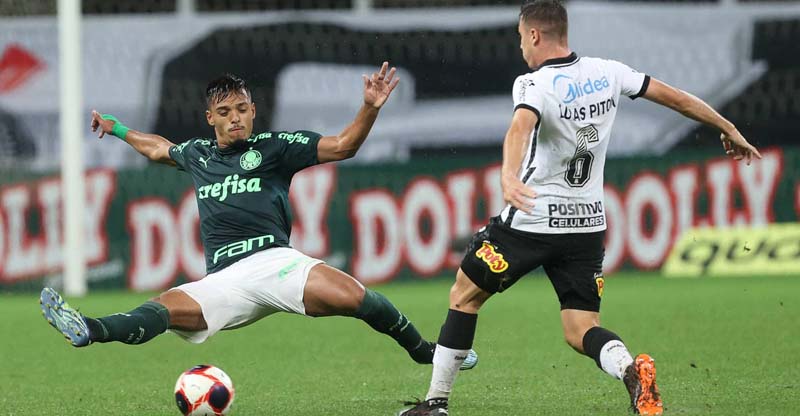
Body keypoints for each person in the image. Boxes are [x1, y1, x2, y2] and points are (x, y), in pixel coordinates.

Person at [399, 2, 761, 415]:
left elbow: (519, 128)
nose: (521, 48)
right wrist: (728, 127)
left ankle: (436, 404)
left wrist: (507, 176)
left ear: (534, 35)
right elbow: (675, 98)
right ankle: (629, 371)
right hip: (586, 226)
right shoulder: (609, 72)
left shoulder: (533, 84)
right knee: (580, 328)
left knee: (464, 296)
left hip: (532, 220)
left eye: (521, 38)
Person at [40, 62, 477, 372]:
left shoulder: (274, 147)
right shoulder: (198, 154)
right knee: (161, 310)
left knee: (356, 298)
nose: (236, 119)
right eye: (226, 112)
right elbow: (156, 146)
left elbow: (344, 145)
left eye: (243, 109)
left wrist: (370, 107)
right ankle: (89, 328)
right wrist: (116, 129)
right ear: (210, 118)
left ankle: (424, 351)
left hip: (275, 262)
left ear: (253, 110)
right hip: (224, 279)